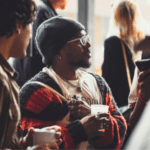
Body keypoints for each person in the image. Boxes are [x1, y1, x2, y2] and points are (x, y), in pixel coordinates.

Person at [19, 16, 127, 149]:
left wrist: (92, 114)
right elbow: (35, 145)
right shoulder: (36, 93)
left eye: (87, 38)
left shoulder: (98, 83)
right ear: (58, 52)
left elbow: (120, 136)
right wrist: (81, 130)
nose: (88, 45)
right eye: (81, 40)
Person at [0, 0, 62, 149]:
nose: (31, 34)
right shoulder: (1, 80)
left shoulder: (7, 75)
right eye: (30, 24)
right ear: (18, 25)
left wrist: (24, 143)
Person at [10, 0, 68, 87]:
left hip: (30, 77)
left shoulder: (45, 10)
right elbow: (46, 48)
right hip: (32, 77)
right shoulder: (43, 11)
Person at [102, 0, 146, 108]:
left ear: (116, 18)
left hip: (121, 104)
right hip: (143, 103)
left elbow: (107, 80)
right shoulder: (146, 42)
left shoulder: (112, 43)